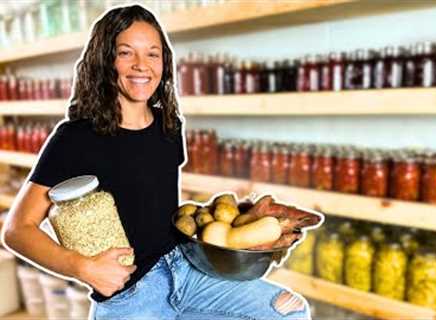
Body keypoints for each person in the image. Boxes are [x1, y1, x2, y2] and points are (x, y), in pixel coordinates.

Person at [1, 5, 310, 320]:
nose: (141, 66)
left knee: (290, 312)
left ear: (165, 61)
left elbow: (153, 206)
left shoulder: (169, 125)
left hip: (186, 271)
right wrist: (82, 267)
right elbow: (16, 230)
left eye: (152, 54)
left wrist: (244, 225)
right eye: (126, 53)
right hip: (129, 298)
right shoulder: (75, 138)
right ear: (105, 60)